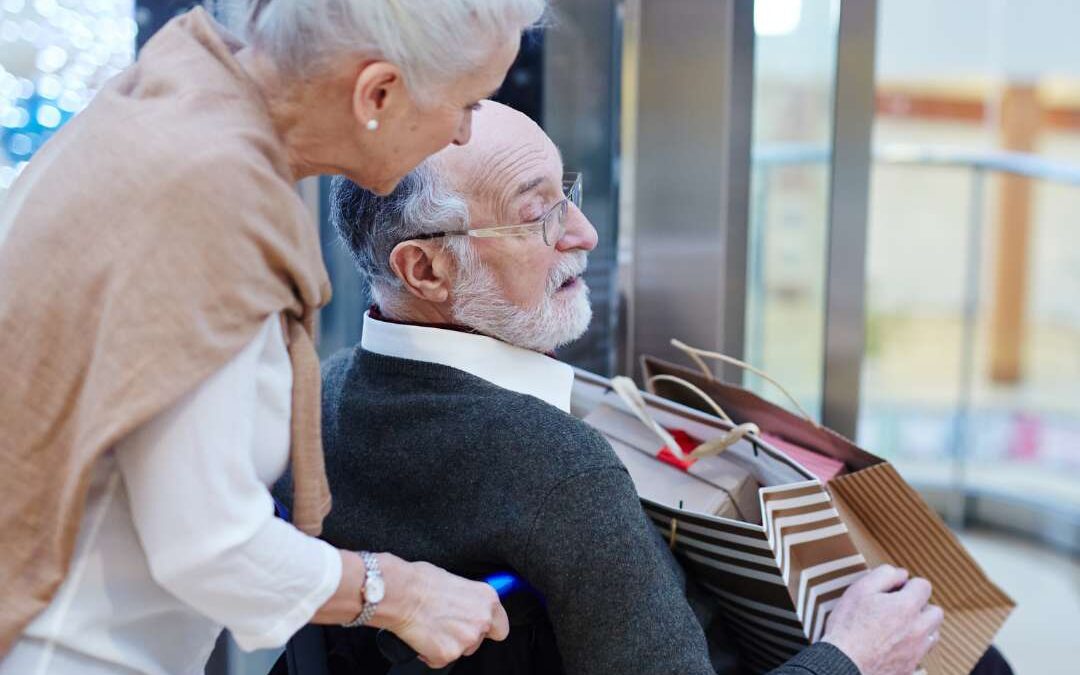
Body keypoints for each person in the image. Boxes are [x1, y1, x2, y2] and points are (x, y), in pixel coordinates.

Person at [287, 100, 947, 674]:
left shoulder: (318, 397)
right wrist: (854, 655)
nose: (584, 233)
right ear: (426, 269)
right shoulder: (556, 465)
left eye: (565, 193)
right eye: (538, 215)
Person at [0, 2, 546, 673]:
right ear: (377, 92)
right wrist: (401, 593)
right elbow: (209, 544)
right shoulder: (205, 204)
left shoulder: (165, 107)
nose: (464, 134)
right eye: (467, 103)